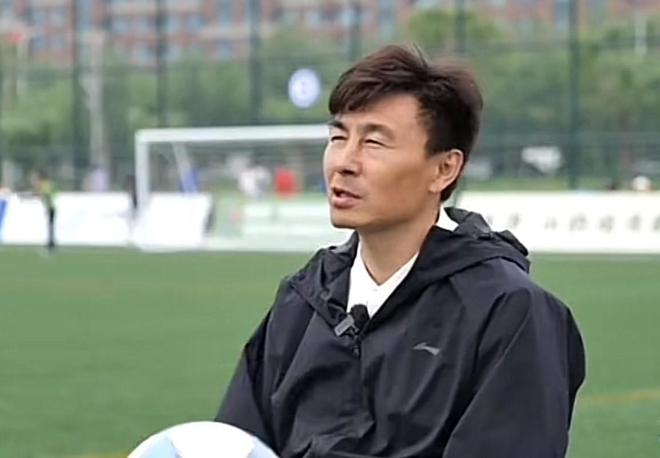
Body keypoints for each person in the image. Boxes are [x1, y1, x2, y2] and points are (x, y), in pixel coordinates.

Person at [216, 45, 585, 457]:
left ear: (444, 169)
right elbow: (235, 444)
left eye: (374, 142)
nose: (344, 162)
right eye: (338, 137)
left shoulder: (509, 311)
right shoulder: (302, 300)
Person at [31, 169, 56, 252]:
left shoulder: (45, 184)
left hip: (50, 207)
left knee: (50, 226)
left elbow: (46, 195)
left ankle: (51, 244)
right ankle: (50, 243)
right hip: (50, 207)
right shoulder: (47, 184)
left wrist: (38, 194)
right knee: (50, 226)